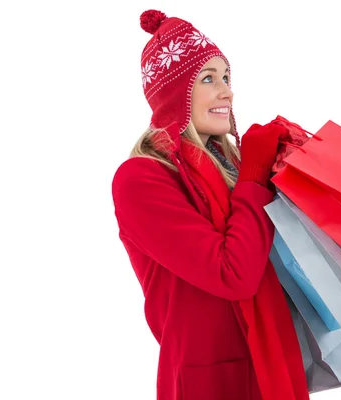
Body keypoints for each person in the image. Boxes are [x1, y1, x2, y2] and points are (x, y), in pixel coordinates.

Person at [111, 10, 309, 400]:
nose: (226, 91)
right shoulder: (141, 179)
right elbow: (232, 273)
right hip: (209, 381)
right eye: (208, 79)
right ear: (176, 93)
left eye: (226, 78)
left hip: (268, 366)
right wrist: (254, 176)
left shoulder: (231, 167)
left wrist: (286, 165)